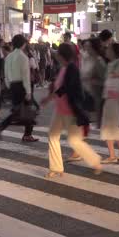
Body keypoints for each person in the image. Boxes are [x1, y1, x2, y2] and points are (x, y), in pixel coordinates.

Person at [42, 43, 101, 178]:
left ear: (62, 55)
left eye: (57, 53)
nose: (55, 55)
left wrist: (49, 98)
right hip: (60, 109)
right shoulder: (64, 68)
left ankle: (95, 160)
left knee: (74, 140)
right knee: (52, 135)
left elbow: (65, 89)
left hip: (71, 111)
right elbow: (59, 87)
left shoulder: (72, 69)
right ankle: (56, 168)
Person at [0, 35, 38, 142]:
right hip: (22, 86)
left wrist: (9, 85)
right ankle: (26, 134)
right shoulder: (23, 57)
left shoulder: (9, 57)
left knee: (20, 110)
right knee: (30, 110)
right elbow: (25, 76)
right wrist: (28, 91)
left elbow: (6, 73)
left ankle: (4, 127)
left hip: (13, 85)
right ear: (23, 44)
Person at [80, 38, 106, 126]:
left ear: (94, 47)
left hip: (95, 95)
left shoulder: (99, 61)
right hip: (85, 92)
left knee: (96, 121)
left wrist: (91, 80)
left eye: (88, 46)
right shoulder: (86, 58)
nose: (86, 48)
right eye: (85, 46)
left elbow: (104, 80)